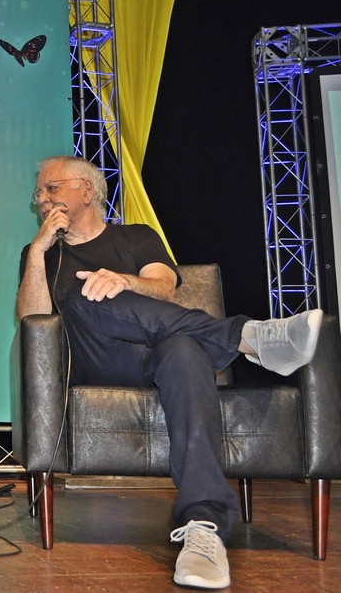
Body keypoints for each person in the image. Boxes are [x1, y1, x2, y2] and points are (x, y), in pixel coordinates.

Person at [16, 155, 322, 590]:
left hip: (161, 355)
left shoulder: (137, 236)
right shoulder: (42, 254)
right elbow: (30, 322)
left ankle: (203, 527)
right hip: (98, 362)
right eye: (38, 194)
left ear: (86, 189)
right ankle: (247, 338)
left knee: (184, 350)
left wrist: (123, 281)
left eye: (51, 188)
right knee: (85, 294)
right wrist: (37, 252)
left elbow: (164, 287)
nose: (42, 199)